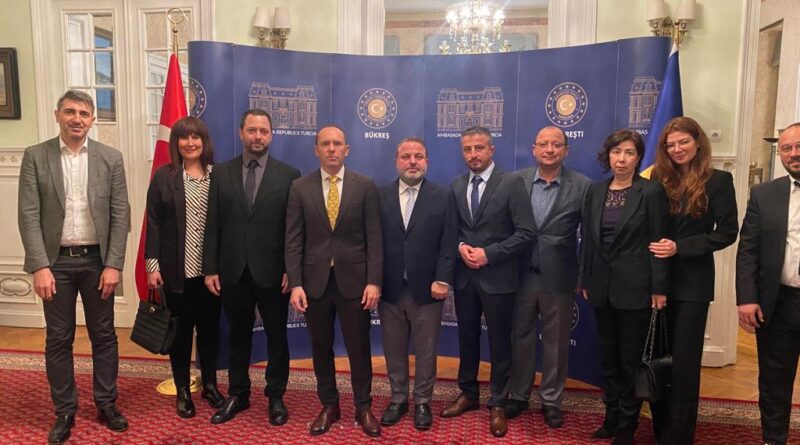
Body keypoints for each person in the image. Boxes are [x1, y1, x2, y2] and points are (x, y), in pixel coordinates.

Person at [18, 90, 130, 444]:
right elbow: (28, 215)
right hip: (56, 264)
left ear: (92, 119)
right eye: (70, 112)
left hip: (98, 262)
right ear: (57, 115)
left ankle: (106, 403)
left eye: (83, 113)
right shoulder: (36, 156)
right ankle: (65, 410)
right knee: (58, 338)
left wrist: (114, 264)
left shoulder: (110, 158)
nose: (76, 119)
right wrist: (39, 266)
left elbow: (120, 214)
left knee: (104, 335)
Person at [202, 109, 300, 426]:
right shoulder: (221, 173)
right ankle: (238, 394)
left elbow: (293, 229)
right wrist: (210, 268)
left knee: (277, 337)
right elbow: (213, 224)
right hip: (232, 271)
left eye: (264, 131)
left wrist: (291, 270)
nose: (258, 136)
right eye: (252, 130)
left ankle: (276, 396)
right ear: (241, 132)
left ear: (271, 135)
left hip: (274, 273)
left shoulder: (289, 175)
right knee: (237, 335)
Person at [285, 125, 383, 437]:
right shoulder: (300, 187)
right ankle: (329, 405)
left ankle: (363, 406)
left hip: (355, 283)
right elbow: (293, 240)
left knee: (359, 347)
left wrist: (374, 281)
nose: (331, 149)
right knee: (320, 347)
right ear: (316, 150)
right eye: (325, 144)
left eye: (337, 144)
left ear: (346, 149)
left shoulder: (364, 185)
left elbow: (374, 238)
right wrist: (296, 283)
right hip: (314, 283)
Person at [440, 125, 535, 438]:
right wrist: (460, 247)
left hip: (499, 278)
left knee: (500, 343)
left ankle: (498, 402)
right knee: (466, 338)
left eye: (479, 148)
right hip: (465, 278)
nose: (473, 154)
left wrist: (488, 254)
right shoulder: (456, 185)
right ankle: (468, 393)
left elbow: (526, 232)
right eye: (467, 149)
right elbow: (453, 230)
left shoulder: (512, 183)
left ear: (491, 149)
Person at [648, 116, 738, 444]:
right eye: (670, 145)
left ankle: (679, 435)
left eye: (683, 142)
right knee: (658, 359)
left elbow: (727, 232)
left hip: (693, 285)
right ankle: (660, 429)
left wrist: (680, 247)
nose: (677, 149)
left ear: (698, 142)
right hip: (656, 282)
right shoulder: (658, 178)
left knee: (684, 365)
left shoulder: (719, 180)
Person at [580, 129, 669, 445]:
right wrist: (585, 279)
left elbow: (659, 241)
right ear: (608, 156)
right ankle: (611, 416)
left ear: (638, 158)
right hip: (601, 288)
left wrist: (659, 287)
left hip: (637, 289)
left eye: (629, 152)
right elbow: (589, 241)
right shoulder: (596, 191)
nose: (622, 159)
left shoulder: (651, 191)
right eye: (616, 152)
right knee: (608, 358)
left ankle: (626, 427)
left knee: (630, 360)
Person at [505, 126, 591, 429]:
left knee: (556, 342)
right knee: (520, 338)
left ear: (566, 150)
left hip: (560, 277)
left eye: (556, 145)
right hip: (521, 275)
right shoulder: (515, 181)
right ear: (534, 149)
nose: (550, 149)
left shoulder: (582, 185)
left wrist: (583, 276)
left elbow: (590, 237)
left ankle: (552, 400)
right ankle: (518, 394)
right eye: (543, 144)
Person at [144, 116, 224, 418]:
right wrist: (152, 265)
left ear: (204, 141)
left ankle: (210, 386)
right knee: (180, 335)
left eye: (196, 137)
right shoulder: (164, 177)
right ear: (176, 142)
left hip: (211, 274)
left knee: (210, 333)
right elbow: (152, 222)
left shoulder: (218, 176)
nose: (190, 143)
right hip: (176, 273)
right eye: (184, 137)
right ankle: (182, 390)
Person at [377, 137, 457, 431]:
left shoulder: (443, 196)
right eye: (406, 156)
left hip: (427, 289)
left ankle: (423, 401)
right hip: (389, 288)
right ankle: (398, 399)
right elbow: (373, 242)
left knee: (426, 350)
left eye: (419, 156)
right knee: (393, 349)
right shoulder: (380, 195)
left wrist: (442, 279)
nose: (413, 161)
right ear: (396, 161)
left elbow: (449, 242)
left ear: (427, 161)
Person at [737, 122, 800, 445]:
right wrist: (747, 298)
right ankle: (773, 440)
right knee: (775, 381)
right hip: (780, 303)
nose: (793, 153)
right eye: (786, 148)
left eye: (799, 146)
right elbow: (748, 249)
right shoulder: (765, 194)